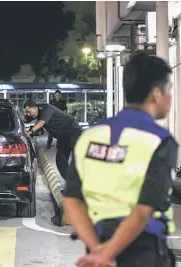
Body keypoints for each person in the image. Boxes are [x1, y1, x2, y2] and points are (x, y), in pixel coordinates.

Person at [62, 52, 177, 267]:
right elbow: (143, 211)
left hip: (97, 245)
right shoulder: (159, 141)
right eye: (169, 89)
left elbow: (71, 199)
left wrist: (97, 251)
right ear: (156, 94)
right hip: (144, 253)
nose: (171, 97)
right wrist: (107, 255)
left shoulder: (90, 136)